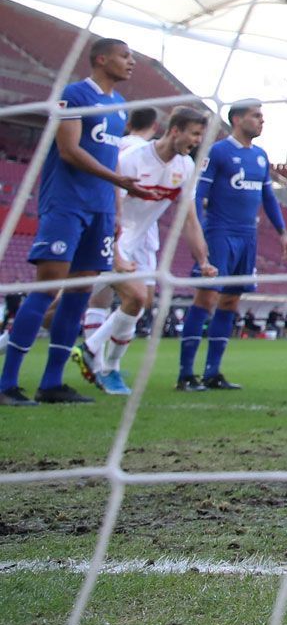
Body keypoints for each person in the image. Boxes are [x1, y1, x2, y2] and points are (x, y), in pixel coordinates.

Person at [1, 38, 158, 406]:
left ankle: (52, 383)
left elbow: (111, 155)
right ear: (101, 59)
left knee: (79, 295)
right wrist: (117, 181)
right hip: (67, 205)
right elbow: (70, 150)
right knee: (46, 290)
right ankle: (7, 382)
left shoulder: (120, 106)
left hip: (101, 209)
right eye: (124, 56)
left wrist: (116, 209)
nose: (131, 62)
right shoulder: (76, 94)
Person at [74, 106, 214, 395]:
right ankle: (100, 359)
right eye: (195, 134)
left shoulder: (185, 167)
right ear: (175, 130)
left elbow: (189, 218)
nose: (198, 141)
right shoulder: (133, 160)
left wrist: (203, 260)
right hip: (112, 235)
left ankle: (96, 355)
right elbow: (108, 209)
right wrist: (116, 253)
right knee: (121, 299)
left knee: (141, 301)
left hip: (141, 239)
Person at [176, 100, 287, 392]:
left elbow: (268, 198)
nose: (261, 121)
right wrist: (200, 234)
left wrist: (282, 231)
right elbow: (198, 194)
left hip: (247, 237)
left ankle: (213, 372)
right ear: (238, 120)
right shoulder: (218, 152)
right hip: (219, 234)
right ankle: (186, 374)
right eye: (256, 116)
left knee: (230, 302)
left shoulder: (262, 157)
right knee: (206, 299)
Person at [81, 105, 161, 343]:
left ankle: (94, 358)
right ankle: (93, 352)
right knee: (142, 298)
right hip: (135, 227)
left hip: (103, 220)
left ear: (128, 124)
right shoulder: (146, 151)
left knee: (95, 297)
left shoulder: (116, 143)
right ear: (155, 127)